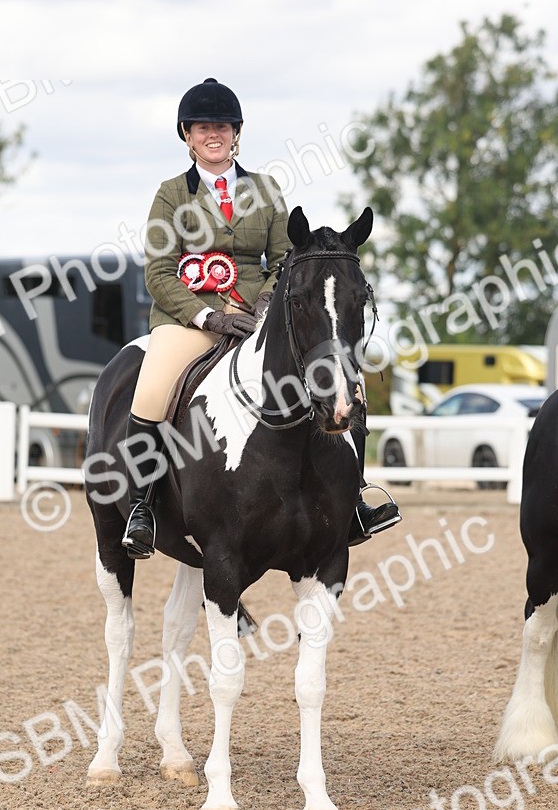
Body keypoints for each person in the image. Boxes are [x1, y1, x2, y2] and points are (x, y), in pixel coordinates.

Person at [121, 77, 399, 559]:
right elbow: (159, 272)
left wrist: (266, 306)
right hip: (187, 318)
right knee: (150, 390)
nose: (214, 134)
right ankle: (141, 506)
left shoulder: (266, 190)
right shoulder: (170, 196)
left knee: (337, 376)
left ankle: (352, 500)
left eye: (223, 126)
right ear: (187, 136)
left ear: (236, 133)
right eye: (204, 127)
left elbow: (285, 260)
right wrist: (207, 316)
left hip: (256, 318)